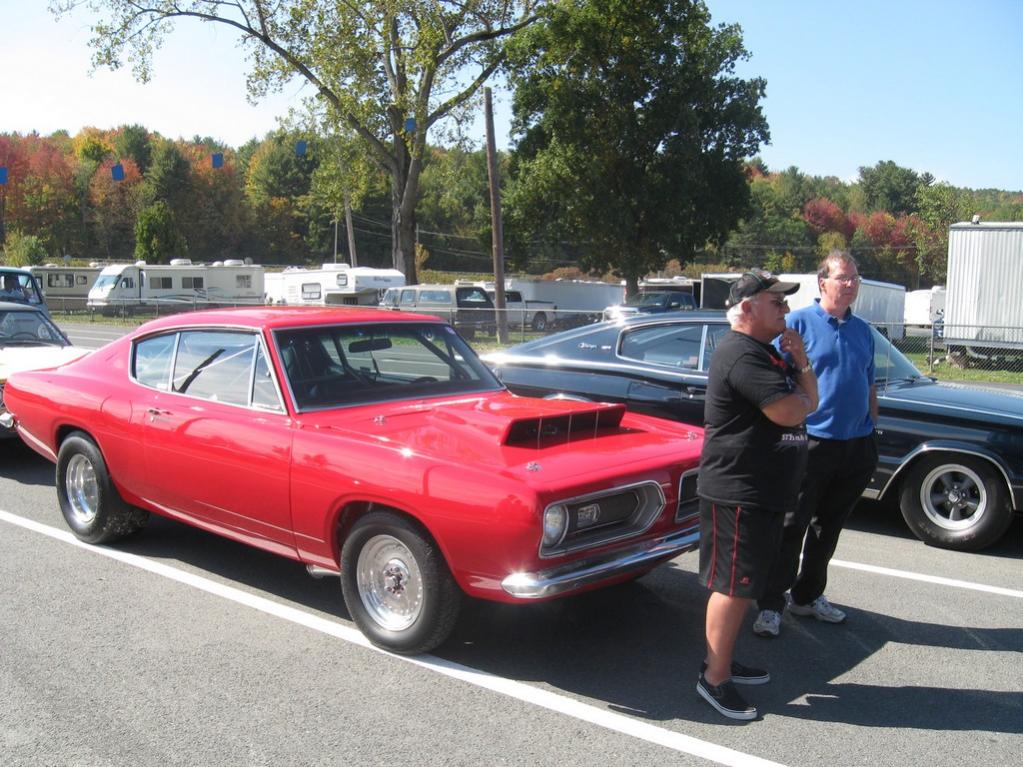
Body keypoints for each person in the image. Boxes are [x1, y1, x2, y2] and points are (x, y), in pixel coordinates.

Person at [696, 270, 818, 720]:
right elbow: (790, 411)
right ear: (747, 308)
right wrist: (800, 400)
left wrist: (801, 361)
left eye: (785, 304)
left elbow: (812, 402)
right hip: (739, 492)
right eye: (777, 302)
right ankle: (714, 679)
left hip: (763, 490)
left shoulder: (768, 354)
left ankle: (720, 658)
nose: (786, 310)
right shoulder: (741, 355)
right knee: (733, 587)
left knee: (745, 585)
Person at [753, 251, 878, 638]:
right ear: (822, 282)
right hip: (811, 442)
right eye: (844, 277)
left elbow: (870, 383)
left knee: (829, 527)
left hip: (855, 445)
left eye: (856, 278)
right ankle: (771, 604)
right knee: (793, 524)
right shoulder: (796, 323)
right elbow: (770, 378)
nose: (851, 284)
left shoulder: (864, 331)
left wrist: (871, 427)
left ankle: (807, 597)